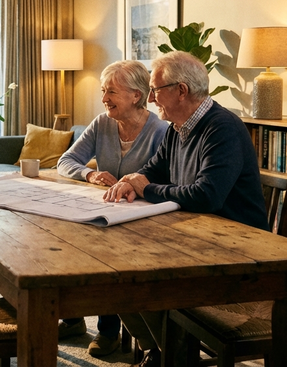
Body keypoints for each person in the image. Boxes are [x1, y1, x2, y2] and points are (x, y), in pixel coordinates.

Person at [103, 51, 268, 367]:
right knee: (114, 271)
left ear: (181, 90)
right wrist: (131, 180)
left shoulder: (222, 129)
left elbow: (206, 196)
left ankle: (171, 355)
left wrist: (146, 188)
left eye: (156, 89)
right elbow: (154, 168)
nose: (150, 99)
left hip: (237, 251)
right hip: (195, 238)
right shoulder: (177, 127)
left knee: (143, 275)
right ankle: (164, 351)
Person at [55, 60, 168, 357]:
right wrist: (89, 174)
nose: (104, 98)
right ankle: (73, 317)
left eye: (112, 92)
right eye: (104, 91)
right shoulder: (101, 123)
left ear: (136, 95)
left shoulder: (160, 131)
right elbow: (65, 161)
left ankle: (108, 332)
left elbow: (165, 179)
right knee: (63, 240)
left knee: (108, 258)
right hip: (106, 211)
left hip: (142, 220)